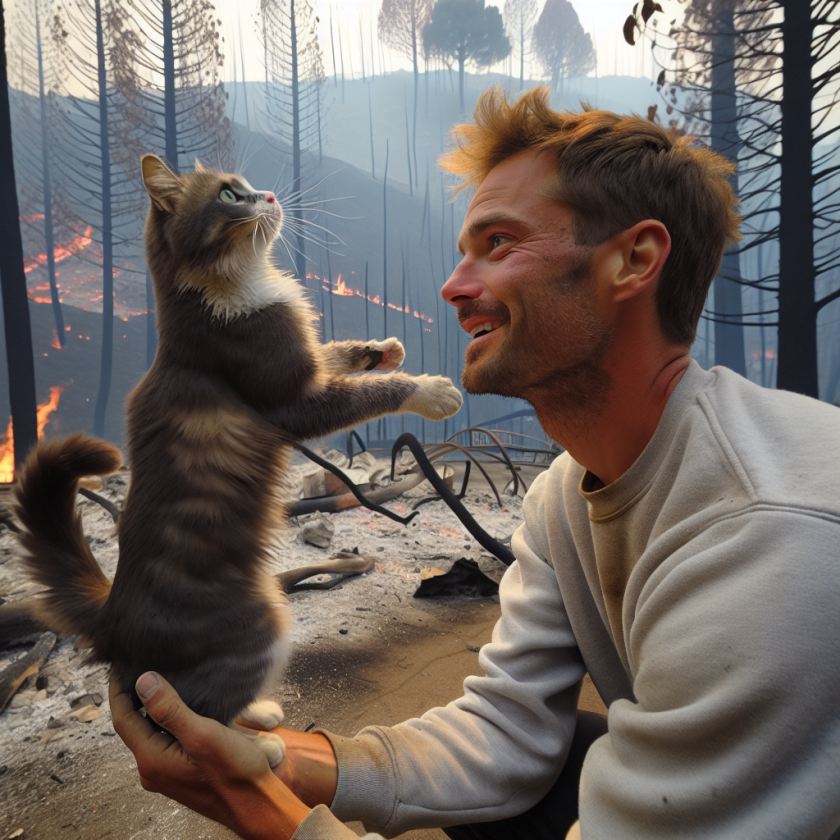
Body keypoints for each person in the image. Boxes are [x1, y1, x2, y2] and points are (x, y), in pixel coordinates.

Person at [110, 85, 840, 840]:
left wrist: (270, 816)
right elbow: (508, 731)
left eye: (498, 245)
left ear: (634, 260)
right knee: (555, 767)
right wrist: (277, 760)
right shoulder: (566, 498)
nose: (454, 288)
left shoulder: (767, 541)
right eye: (463, 251)